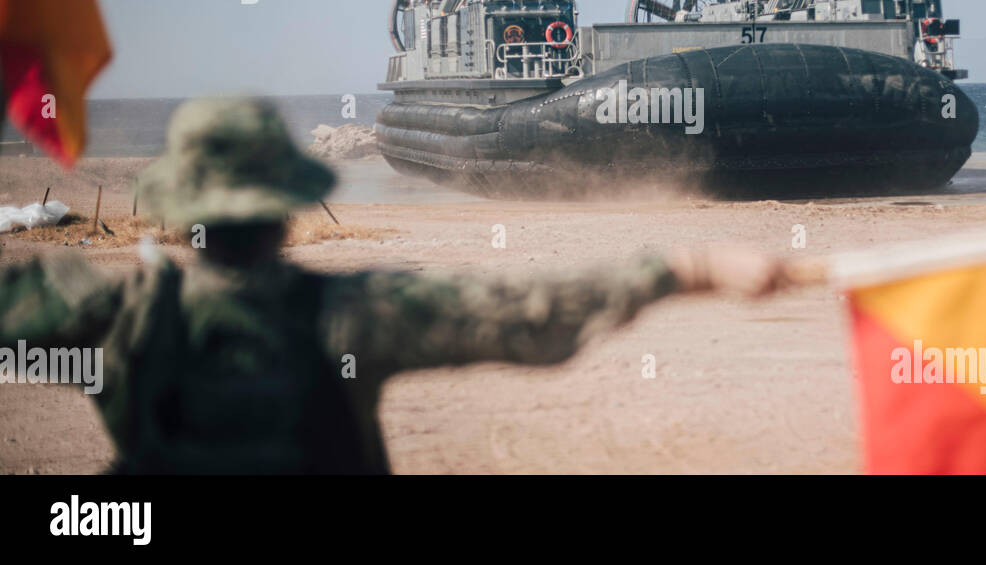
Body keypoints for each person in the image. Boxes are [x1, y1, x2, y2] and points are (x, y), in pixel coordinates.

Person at [0, 97, 791, 473]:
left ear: (171, 210)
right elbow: (524, 313)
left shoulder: (106, 311)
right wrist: (689, 267)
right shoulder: (350, 315)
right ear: (286, 213)